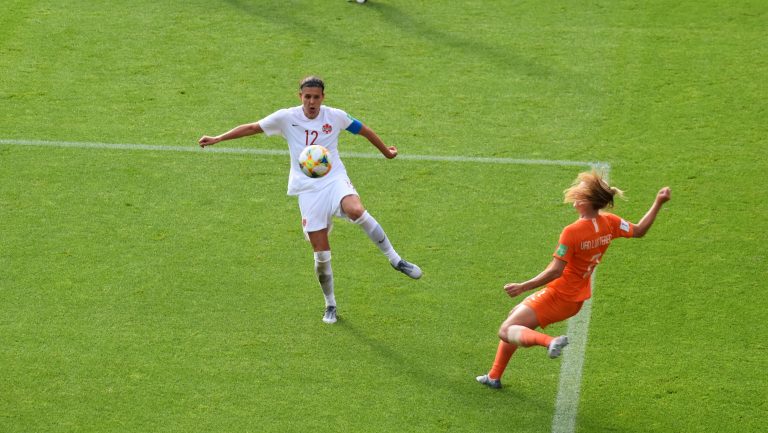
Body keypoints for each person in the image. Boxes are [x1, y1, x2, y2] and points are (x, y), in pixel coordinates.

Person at [198, 76, 422, 325]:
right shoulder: (286, 117)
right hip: (308, 189)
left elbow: (364, 130)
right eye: (308, 97)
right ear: (300, 96)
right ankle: (330, 304)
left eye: (316, 97)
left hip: (334, 178)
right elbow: (252, 127)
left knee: (356, 210)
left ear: (323, 97)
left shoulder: (334, 116)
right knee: (322, 253)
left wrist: (387, 153)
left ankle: (395, 259)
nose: (312, 101)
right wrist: (218, 138)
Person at [476, 171, 671, 388]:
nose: (574, 197)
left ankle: (551, 342)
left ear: (587, 202)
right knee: (515, 317)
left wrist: (523, 286)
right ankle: (494, 376)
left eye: (579, 195)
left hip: (559, 294)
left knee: (506, 329)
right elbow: (639, 230)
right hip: (575, 299)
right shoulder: (611, 223)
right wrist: (658, 202)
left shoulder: (572, 232)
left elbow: (555, 271)